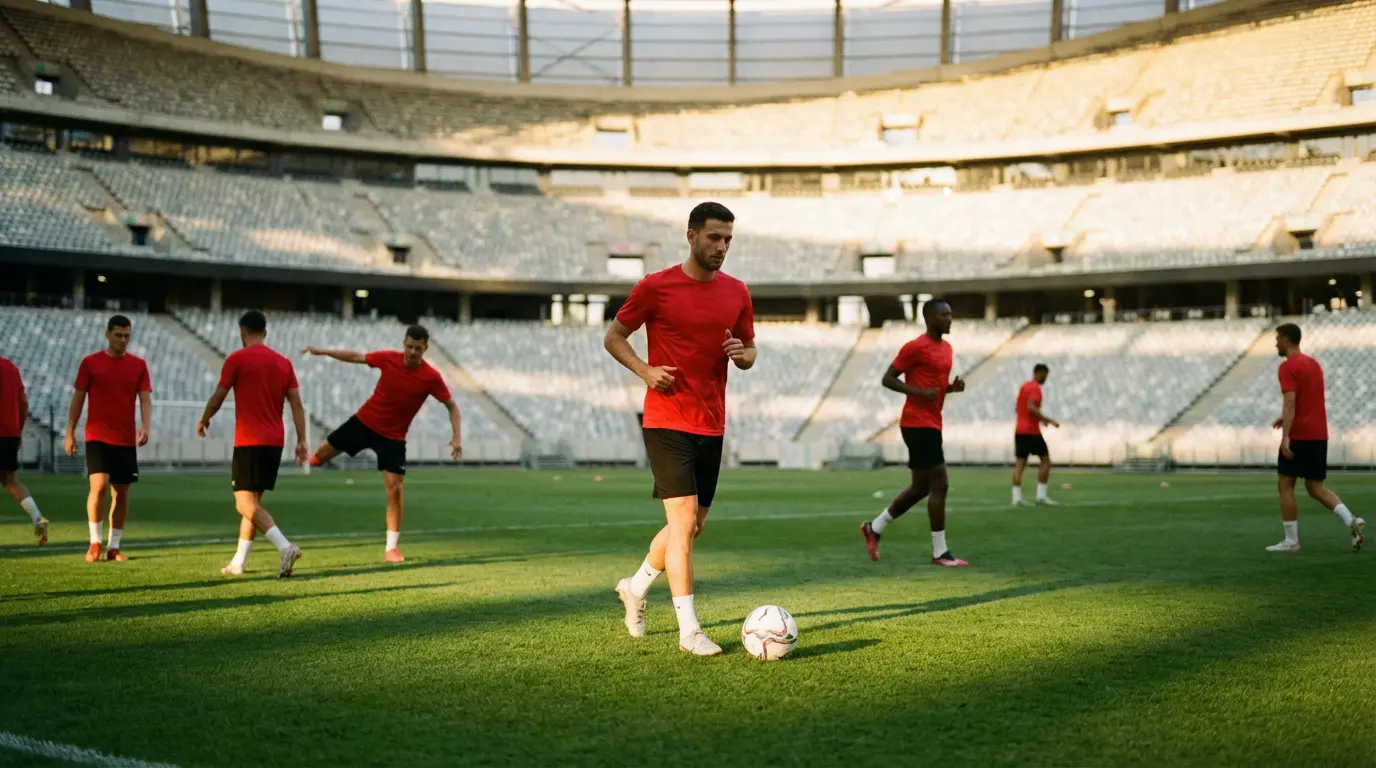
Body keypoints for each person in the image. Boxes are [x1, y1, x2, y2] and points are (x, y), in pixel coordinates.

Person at [607, 201, 756, 657]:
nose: (722, 246)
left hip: (711, 423)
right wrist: (646, 371)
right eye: (714, 237)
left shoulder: (737, 292)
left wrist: (740, 353)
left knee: (690, 528)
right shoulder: (656, 286)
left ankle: (634, 587)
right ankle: (689, 631)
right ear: (691, 236)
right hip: (666, 419)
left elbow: (750, 352)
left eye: (728, 239)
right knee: (684, 521)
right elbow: (614, 336)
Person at [304, 324, 462, 563]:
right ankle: (311, 460)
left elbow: (452, 405)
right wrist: (324, 351)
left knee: (395, 489)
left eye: (418, 348)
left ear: (425, 349)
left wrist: (457, 436)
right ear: (403, 344)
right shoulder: (388, 358)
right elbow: (356, 356)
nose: (412, 352)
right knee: (321, 456)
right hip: (364, 423)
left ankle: (391, 549)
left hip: (393, 438)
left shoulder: (431, 377)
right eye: (409, 346)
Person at [196, 310, 306, 577]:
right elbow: (296, 404)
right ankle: (238, 562)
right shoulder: (283, 363)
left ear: (242, 332)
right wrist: (302, 439)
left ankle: (284, 547)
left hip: (249, 440)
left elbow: (218, 396)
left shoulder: (237, 359)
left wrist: (204, 419)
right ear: (265, 333)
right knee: (253, 503)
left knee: (243, 503)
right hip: (275, 441)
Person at [860, 299, 967, 567]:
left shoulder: (948, 349)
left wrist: (951, 388)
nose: (949, 319)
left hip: (933, 422)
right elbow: (888, 378)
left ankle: (874, 527)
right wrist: (919, 393)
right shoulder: (915, 347)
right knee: (940, 483)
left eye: (950, 314)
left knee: (921, 487)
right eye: (944, 315)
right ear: (930, 319)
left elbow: (935, 385)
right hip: (917, 423)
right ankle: (940, 552)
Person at [1266, 323, 1363, 553]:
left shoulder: (1287, 366)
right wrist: (1286, 418)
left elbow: (1290, 401)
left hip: (1299, 435)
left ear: (1287, 340)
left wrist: (1286, 437)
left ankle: (1291, 541)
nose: (1276, 342)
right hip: (1319, 434)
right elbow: (1307, 400)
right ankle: (1351, 520)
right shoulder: (1314, 364)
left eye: (1278, 338)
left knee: (1285, 484)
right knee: (1315, 487)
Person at [64, 315, 151, 563]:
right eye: (118, 335)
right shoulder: (90, 363)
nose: (123, 340)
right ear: (107, 334)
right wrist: (70, 431)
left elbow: (145, 398)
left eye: (127, 336)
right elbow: (78, 398)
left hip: (125, 440)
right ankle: (94, 543)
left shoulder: (139, 365)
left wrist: (145, 426)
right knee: (98, 487)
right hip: (98, 437)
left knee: (121, 493)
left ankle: (114, 547)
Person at [0, 356, 48, 545]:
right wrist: (17, 430)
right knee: (11, 481)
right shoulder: (11, 367)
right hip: (10, 433)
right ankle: (37, 517)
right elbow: (23, 403)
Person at [1012, 363, 1060, 507]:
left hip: (1019, 430)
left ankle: (1016, 499)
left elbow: (1018, 408)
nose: (1045, 379)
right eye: (1045, 376)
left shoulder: (1024, 387)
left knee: (1020, 465)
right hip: (1031, 431)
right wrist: (1046, 420)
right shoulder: (1035, 388)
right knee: (1046, 461)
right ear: (1039, 373)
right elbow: (1031, 406)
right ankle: (1041, 496)